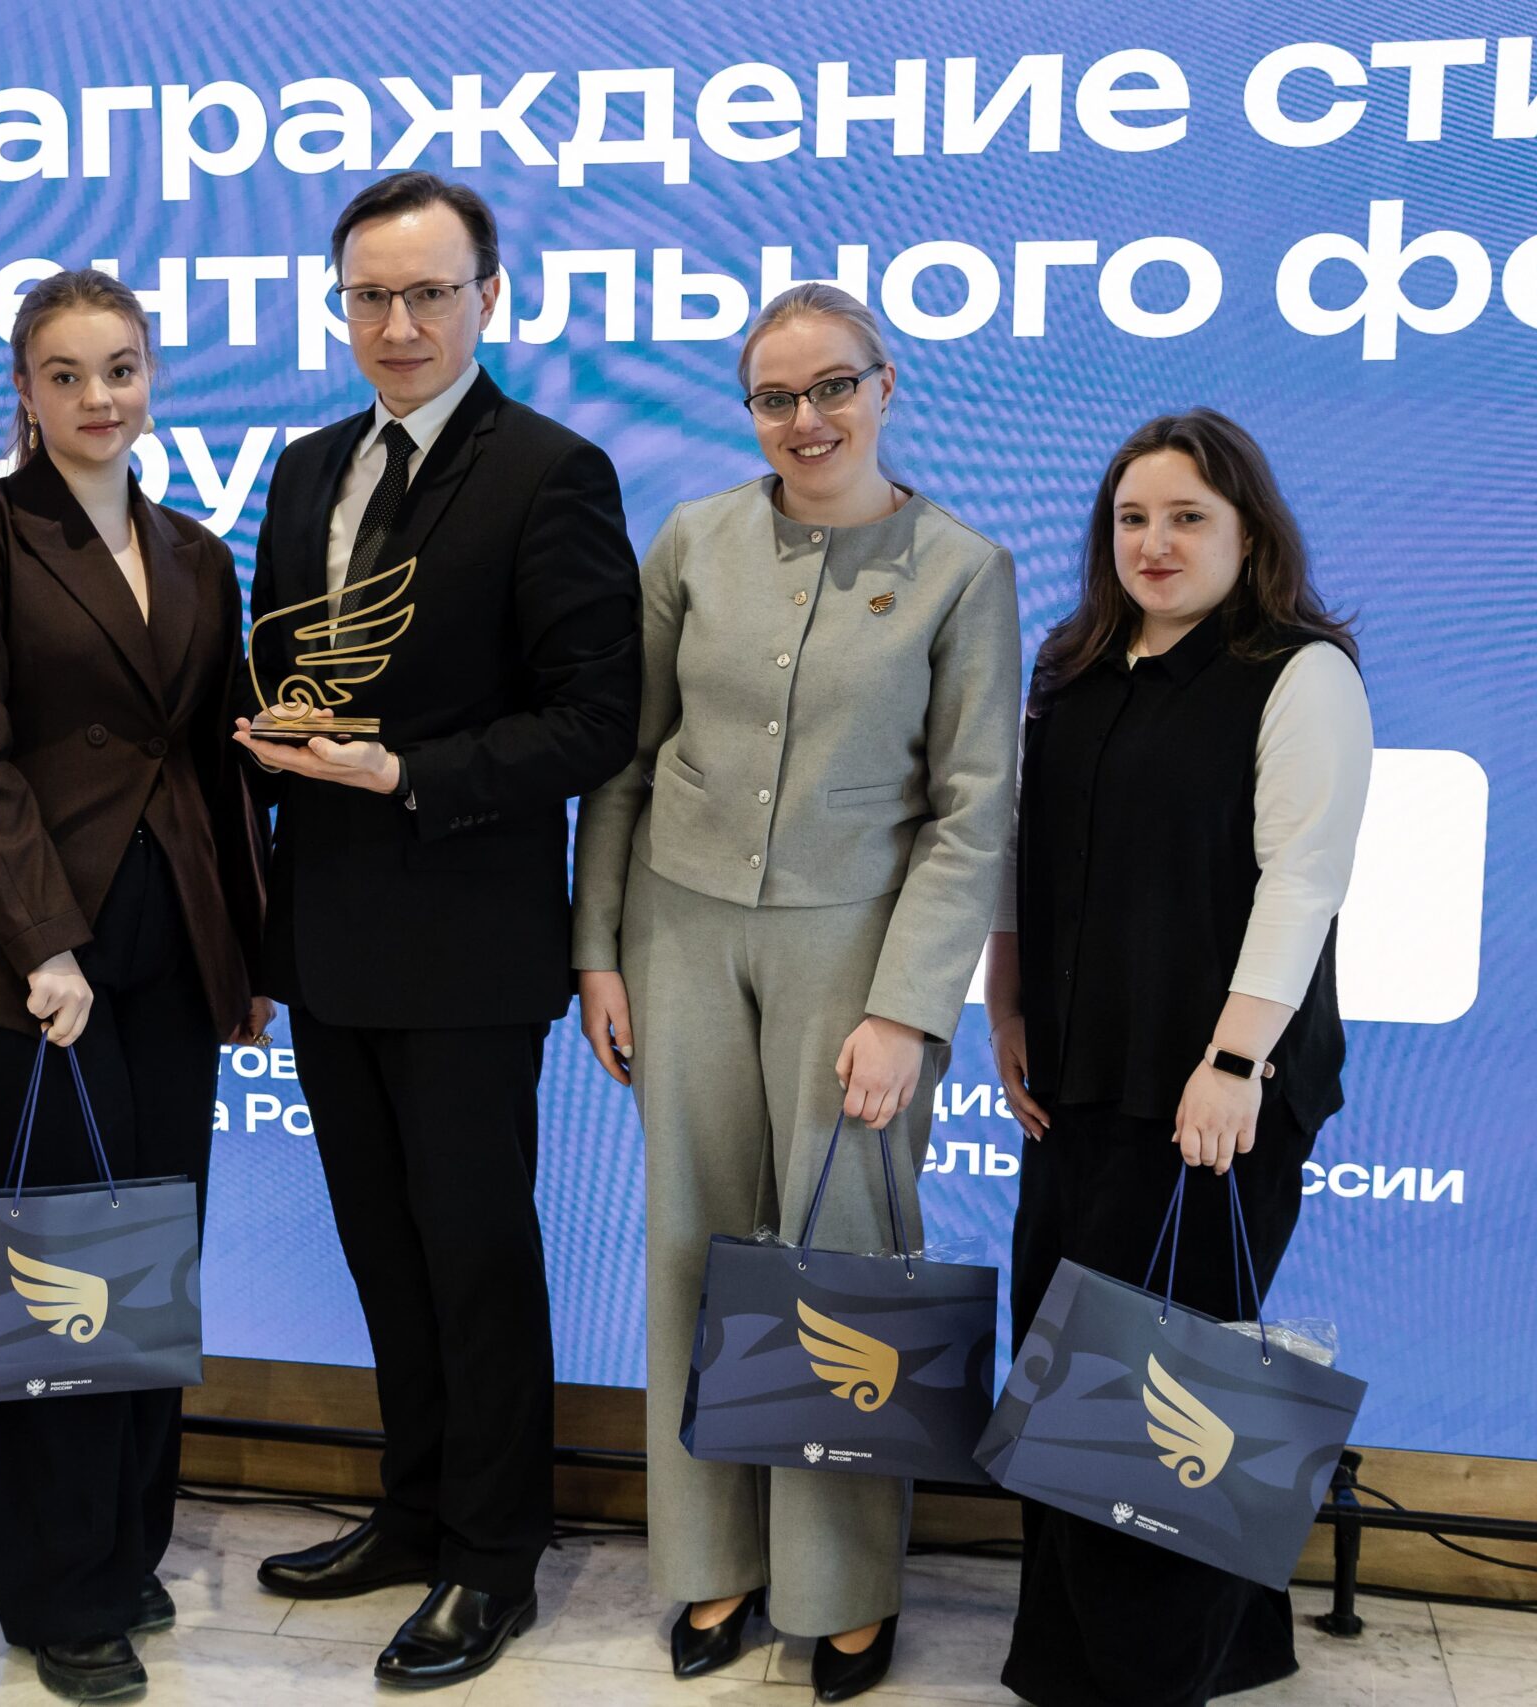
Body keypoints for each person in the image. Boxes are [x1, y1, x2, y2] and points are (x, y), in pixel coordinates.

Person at [571, 284, 1020, 1697]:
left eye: (833, 387)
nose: (806, 419)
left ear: (886, 387)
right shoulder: (694, 540)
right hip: (680, 934)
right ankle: (713, 1562)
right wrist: (598, 948)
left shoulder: (963, 570)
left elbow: (973, 813)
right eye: (776, 397)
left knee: (844, 1263)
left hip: (857, 958)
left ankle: (843, 1587)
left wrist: (909, 1010)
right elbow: (627, 760)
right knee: (693, 1250)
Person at [240, 171, 641, 1689]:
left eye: (427, 293)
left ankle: (493, 1552)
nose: (397, 323)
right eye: (370, 296)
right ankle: (411, 1510)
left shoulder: (552, 471)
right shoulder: (305, 469)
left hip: (469, 943)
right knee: (383, 1252)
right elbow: (289, 678)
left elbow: (595, 720)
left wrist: (407, 773)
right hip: (329, 933)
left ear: (489, 298)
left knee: (476, 1258)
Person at [0, 266, 268, 1703]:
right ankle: (55, 1591)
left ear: (151, 376)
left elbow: (217, 770)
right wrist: (41, 943)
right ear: (23, 391)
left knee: (147, 1261)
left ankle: (123, 1550)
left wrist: (245, 954)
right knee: (48, 1276)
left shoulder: (196, 553)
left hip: (171, 951)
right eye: (65, 374)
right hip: (29, 960)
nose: (97, 396)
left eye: (119, 368)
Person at [986, 408, 1371, 1707]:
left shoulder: (1300, 672)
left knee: (1163, 1390)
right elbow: (1026, 856)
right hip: (1081, 1077)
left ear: (1249, 533)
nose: (1155, 542)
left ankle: (1139, 1676)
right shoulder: (1074, 666)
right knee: (1066, 1364)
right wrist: (1007, 1007)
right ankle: (1197, 1645)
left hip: (1216, 1091)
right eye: (1133, 518)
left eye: (1188, 518)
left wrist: (1236, 1063)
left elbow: (1302, 881)